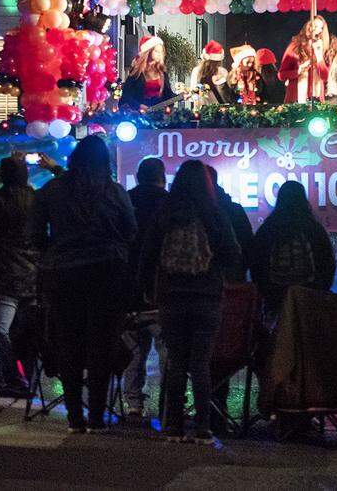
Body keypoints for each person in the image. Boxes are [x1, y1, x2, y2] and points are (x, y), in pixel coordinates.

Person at [32, 135, 135, 432]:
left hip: (63, 274)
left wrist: (56, 249)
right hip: (107, 273)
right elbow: (131, 230)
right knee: (101, 345)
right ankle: (97, 415)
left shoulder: (52, 190)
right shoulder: (114, 192)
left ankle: (74, 414)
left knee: (69, 344)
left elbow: (36, 234)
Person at [139, 160, 240, 444]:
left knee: (177, 362)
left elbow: (148, 254)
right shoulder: (214, 214)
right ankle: (204, 427)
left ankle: (173, 426)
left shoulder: (166, 213)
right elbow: (233, 254)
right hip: (207, 295)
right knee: (201, 363)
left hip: (172, 294)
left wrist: (147, 287)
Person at [0, 154, 40, 399]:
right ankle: (18, 379)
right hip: (33, 276)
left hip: (6, 276)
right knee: (24, 336)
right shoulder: (37, 199)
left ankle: (13, 377)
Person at [246, 180, 337, 318]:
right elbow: (327, 263)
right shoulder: (314, 229)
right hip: (310, 298)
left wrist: (267, 293)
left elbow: (256, 265)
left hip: (275, 299)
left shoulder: (268, 229)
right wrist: (319, 291)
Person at [122, 157, 170, 418]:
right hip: (162, 291)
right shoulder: (171, 204)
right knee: (167, 351)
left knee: (134, 351)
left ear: (139, 176)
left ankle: (134, 403)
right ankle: (168, 403)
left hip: (129, 290)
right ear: (162, 177)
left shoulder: (126, 200)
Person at [206, 166, 252, 282]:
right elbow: (248, 242)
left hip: (198, 280)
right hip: (233, 273)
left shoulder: (189, 212)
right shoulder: (234, 209)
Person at [278, 16, 333, 103]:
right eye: (314, 26)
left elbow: (326, 77)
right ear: (308, 26)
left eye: (321, 27)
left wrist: (319, 57)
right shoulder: (294, 47)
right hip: (296, 100)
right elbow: (281, 75)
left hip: (317, 101)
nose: (317, 30)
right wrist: (298, 71)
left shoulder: (325, 49)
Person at [120, 35, 175, 110]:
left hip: (156, 116)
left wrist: (181, 96)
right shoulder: (137, 72)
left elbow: (168, 95)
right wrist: (139, 106)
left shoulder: (163, 74)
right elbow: (126, 95)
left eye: (161, 52)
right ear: (149, 51)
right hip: (137, 115)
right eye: (156, 51)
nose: (160, 54)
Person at [188, 41, 229, 106]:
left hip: (203, 109)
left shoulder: (196, 71)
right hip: (218, 109)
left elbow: (193, 95)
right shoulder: (222, 72)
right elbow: (226, 96)